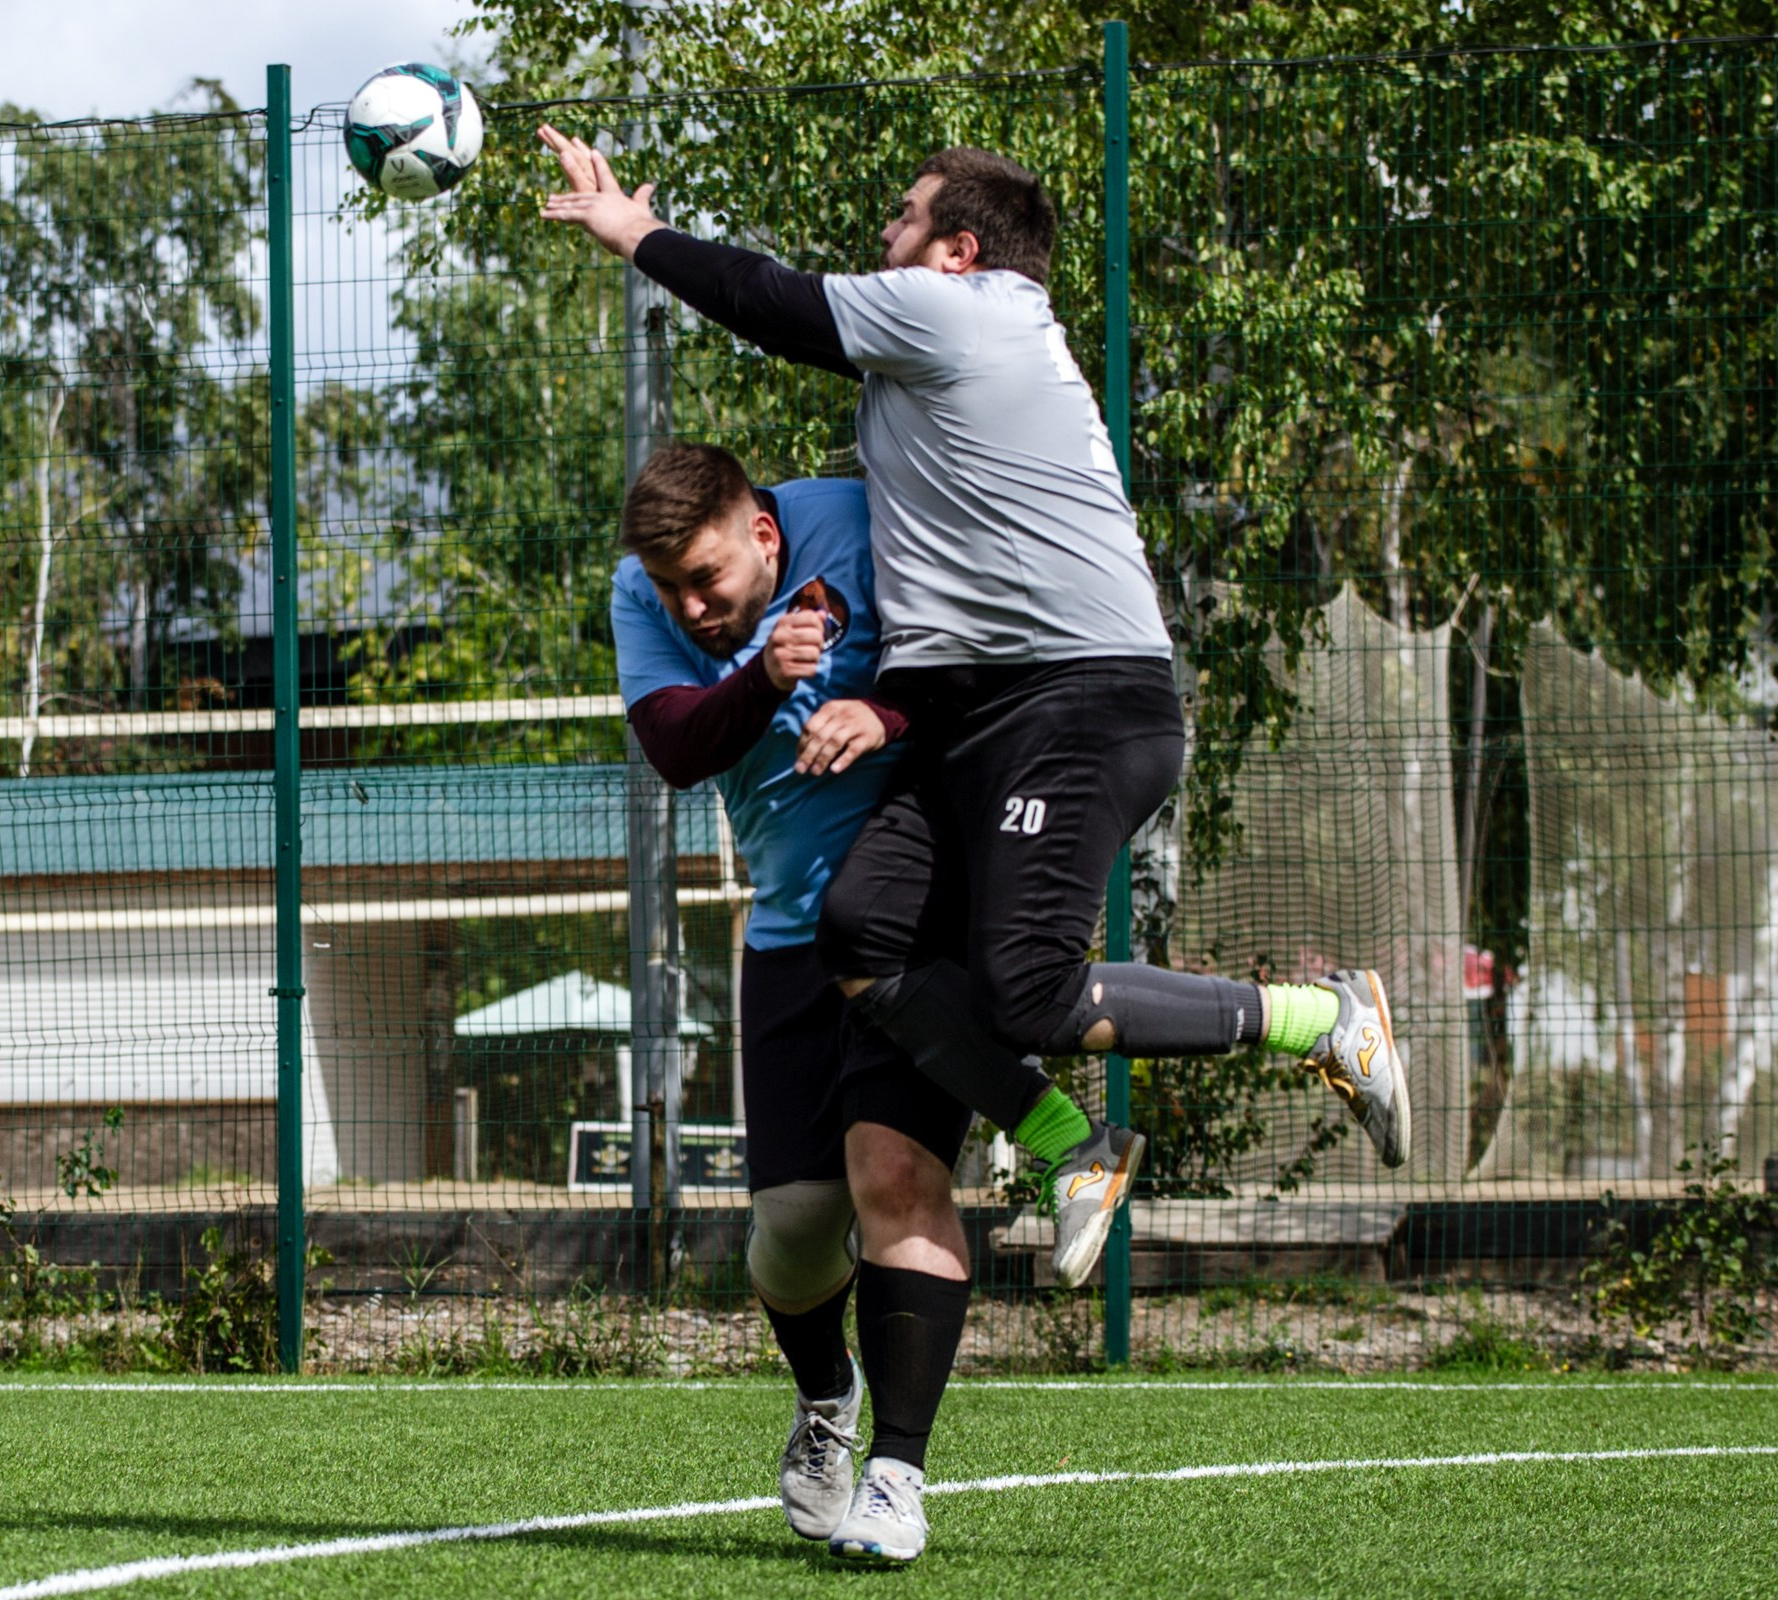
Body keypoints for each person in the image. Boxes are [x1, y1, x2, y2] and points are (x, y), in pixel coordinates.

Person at [559, 136, 1413, 1561]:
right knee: (807, 1169)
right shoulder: (900, 425)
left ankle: (900, 1472)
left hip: (1068, 698)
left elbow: (778, 304)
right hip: (926, 788)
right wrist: (808, 685)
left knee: (959, 1085)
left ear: (957, 250)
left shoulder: (963, 315)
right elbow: (715, 729)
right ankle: (1039, 1169)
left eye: (903, 219)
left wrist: (636, 235)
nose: (883, 237)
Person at [609, 441, 975, 1566]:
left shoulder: (870, 523)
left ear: (764, 535)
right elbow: (674, 744)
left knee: (897, 1179)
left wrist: (883, 717)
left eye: (705, 579)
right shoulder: (642, 594)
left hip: (918, 918)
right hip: (788, 935)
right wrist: (763, 676)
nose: (688, 606)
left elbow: (972, 669)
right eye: (670, 586)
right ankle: (827, 1394)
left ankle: (897, 1477)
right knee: (796, 1228)